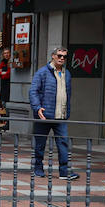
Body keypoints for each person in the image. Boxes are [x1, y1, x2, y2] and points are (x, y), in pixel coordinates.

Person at [29, 46, 79, 180]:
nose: (62, 58)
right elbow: (33, 91)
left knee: (63, 143)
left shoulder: (67, 73)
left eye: (64, 56)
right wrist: (37, 107)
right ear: (53, 56)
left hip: (60, 116)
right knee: (40, 143)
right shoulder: (42, 72)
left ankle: (64, 172)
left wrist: (67, 111)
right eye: (59, 55)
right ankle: (38, 168)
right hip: (44, 115)